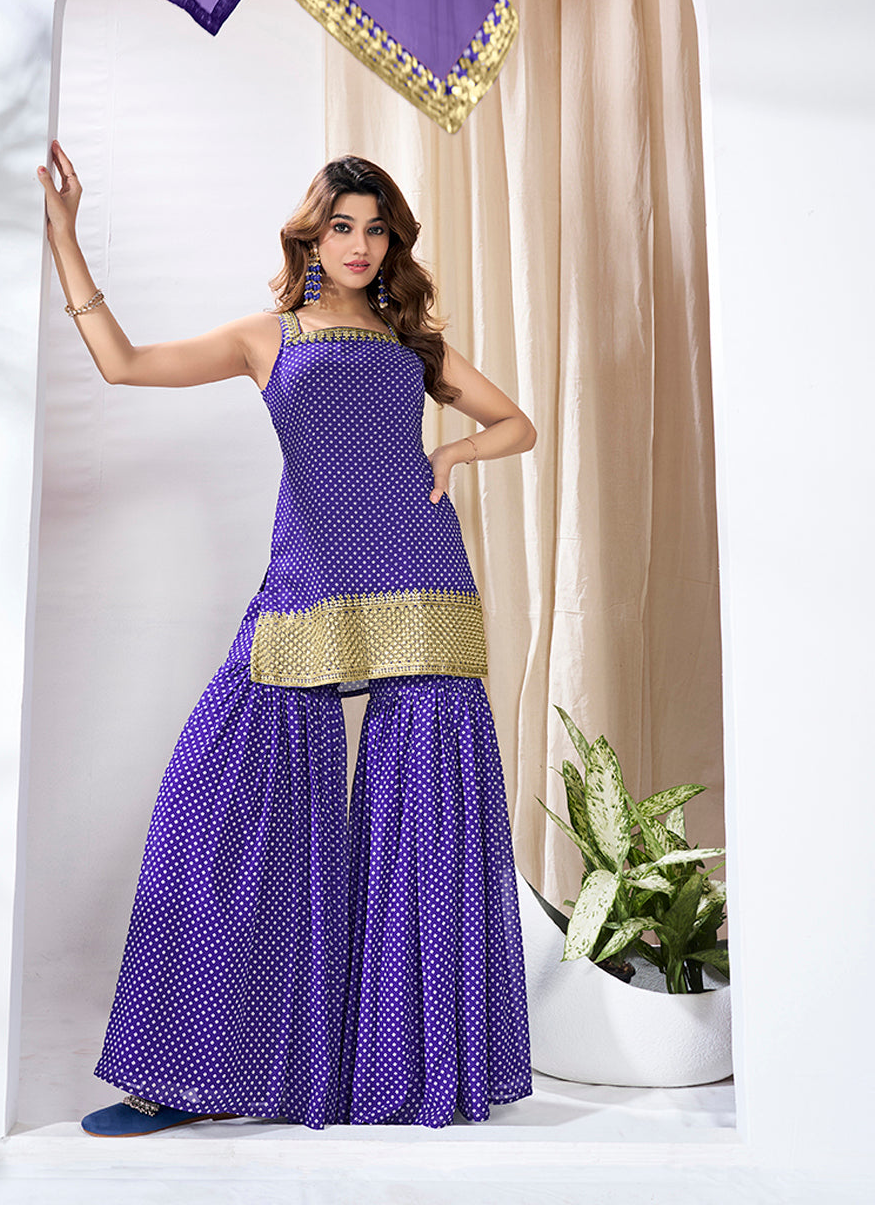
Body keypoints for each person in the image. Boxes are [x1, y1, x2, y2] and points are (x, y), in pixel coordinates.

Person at [37, 142, 537, 1135]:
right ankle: (188, 1075)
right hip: (307, 584)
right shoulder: (267, 337)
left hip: (419, 570)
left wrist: (453, 451)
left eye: (376, 229)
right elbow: (123, 366)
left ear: (391, 242)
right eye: (342, 226)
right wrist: (67, 239)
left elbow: (517, 424)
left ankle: (414, 1072)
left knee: (424, 825)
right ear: (310, 236)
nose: (360, 244)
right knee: (221, 801)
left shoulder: (414, 344)